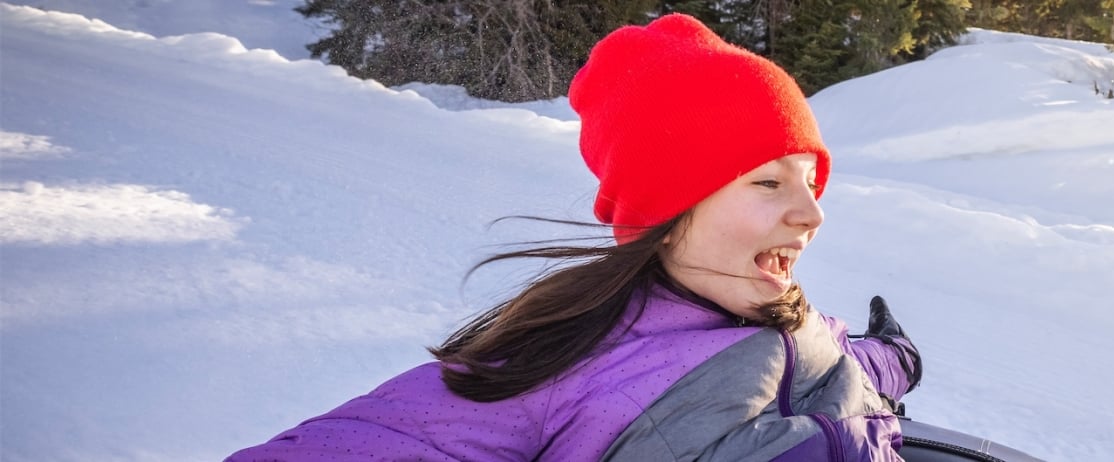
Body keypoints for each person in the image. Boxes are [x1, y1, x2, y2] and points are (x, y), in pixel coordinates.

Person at [229, 13, 921, 461]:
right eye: (768, 183)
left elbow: (853, 367)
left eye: (810, 182)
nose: (811, 214)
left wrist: (899, 357)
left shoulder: (800, 321)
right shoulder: (559, 368)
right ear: (667, 210)